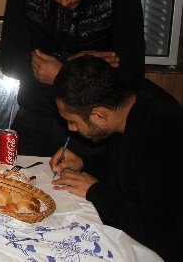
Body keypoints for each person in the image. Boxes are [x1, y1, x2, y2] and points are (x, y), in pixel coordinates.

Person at [0, 0, 145, 158]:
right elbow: (9, 61)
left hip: (92, 126)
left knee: (86, 189)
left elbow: (131, 73)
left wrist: (63, 72)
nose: (65, 1)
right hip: (35, 115)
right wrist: (81, 66)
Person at [49, 56, 183, 262]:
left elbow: (158, 234)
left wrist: (95, 190)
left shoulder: (161, 131)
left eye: (73, 121)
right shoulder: (127, 101)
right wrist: (84, 163)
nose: (70, 129)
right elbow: (132, 171)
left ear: (99, 116)